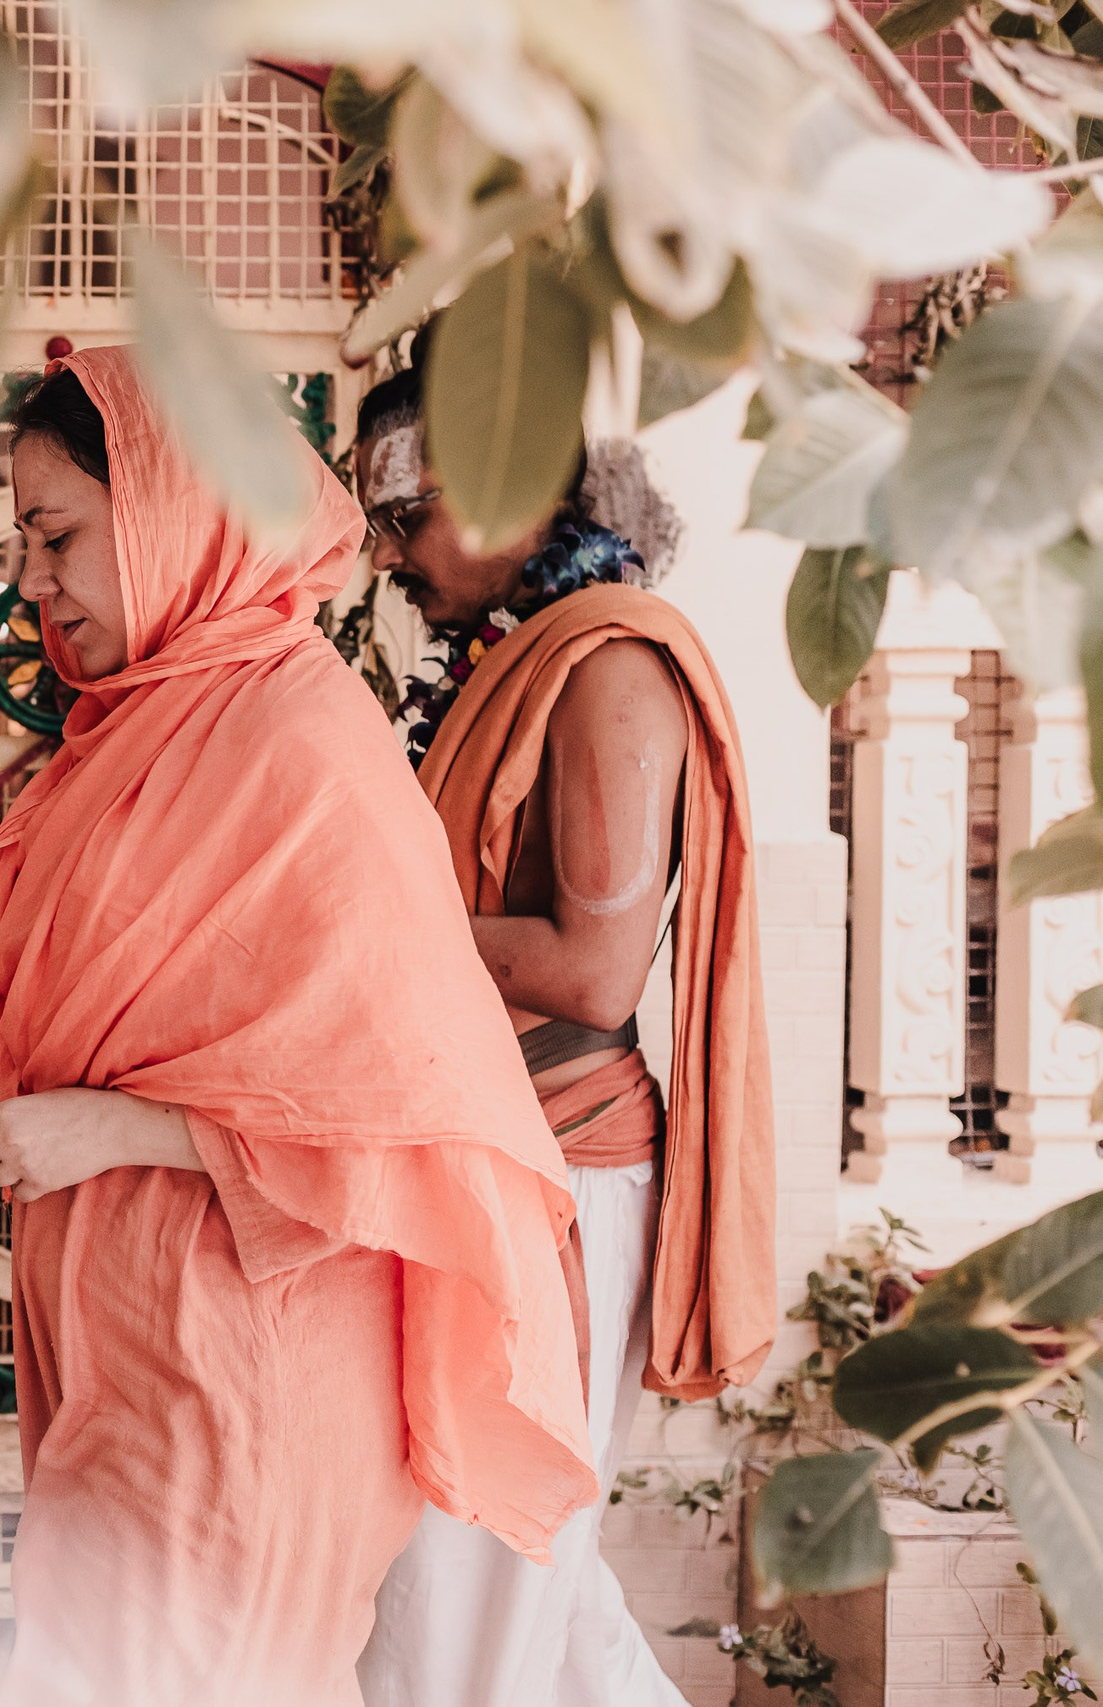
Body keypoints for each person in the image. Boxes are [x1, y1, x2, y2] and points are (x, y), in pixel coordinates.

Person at [0, 345, 597, 1707]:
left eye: (58, 536)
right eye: (24, 544)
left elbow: (390, 1104)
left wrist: (108, 1125)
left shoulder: (297, 739)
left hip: (251, 1346)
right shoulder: (128, 729)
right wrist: (5, 1110)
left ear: (177, 509)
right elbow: (102, 1018)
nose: (34, 582)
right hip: (117, 1325)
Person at [350, 365, 776, 1707]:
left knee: (471, 1594)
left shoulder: (609, 660)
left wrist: (353, 924)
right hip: (487, 1161)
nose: (388, 553)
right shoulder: (518, 653)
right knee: (524, 1593)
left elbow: (592, 970)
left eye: (407, 513)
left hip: (561, 1176)